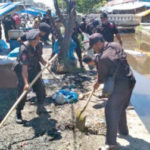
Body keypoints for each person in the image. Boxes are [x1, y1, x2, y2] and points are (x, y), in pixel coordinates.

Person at [83, 33, 136, 150]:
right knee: (121, 108)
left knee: (110, 110)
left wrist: (98, 82)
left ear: (98, 43)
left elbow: (103, 77)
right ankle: (123, 131)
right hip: (130, 79)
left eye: (93, 46)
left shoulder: (103, 58)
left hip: (121, 84)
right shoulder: (115, 45)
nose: (93, 49)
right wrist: (99, 80)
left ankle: (111, 144)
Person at [14, 29, 50, 124]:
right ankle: (18, 112)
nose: (36, 42)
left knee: (41, 88)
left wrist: (45, 62)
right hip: (23, 71)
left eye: (37, 40)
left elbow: (39, 57)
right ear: (29, 40)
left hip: (34, 68)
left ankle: (40, 107)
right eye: (34, 41)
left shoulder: (39, 45)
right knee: (23, 91)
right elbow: (24, 68)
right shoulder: (24, 48)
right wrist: (26, 83)